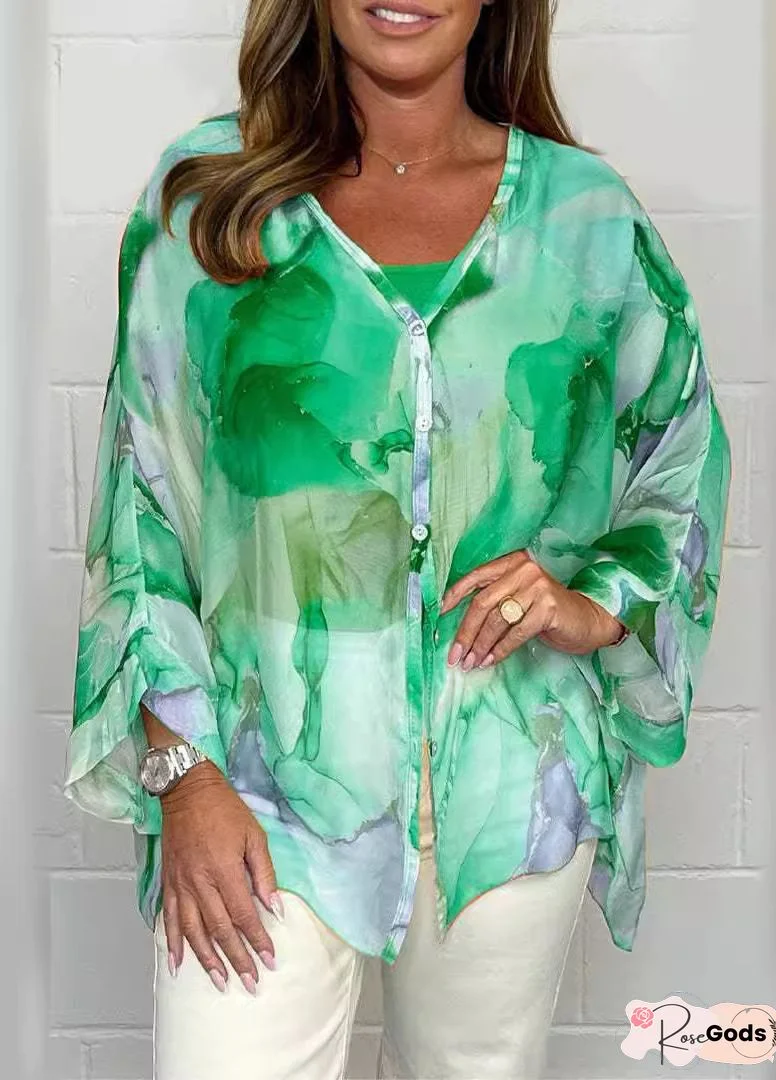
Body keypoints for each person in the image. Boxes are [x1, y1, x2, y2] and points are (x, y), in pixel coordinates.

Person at [63, 1, 731, 1077]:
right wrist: (183, 775)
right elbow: (139, 509)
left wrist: (597, 598)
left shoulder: (588, 218)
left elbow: (682, 448)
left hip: (509, 781)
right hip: (258, 777)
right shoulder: (209, 201)